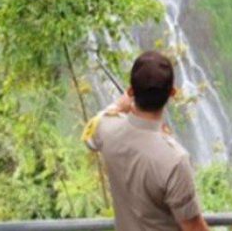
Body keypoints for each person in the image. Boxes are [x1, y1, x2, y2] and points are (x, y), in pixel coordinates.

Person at [83, 51, 209, 231]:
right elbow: (194, 227)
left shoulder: (107, 130)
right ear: (172, 93)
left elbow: (89, 132)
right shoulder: (175, 160)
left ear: (131, 91)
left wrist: (118, 106)